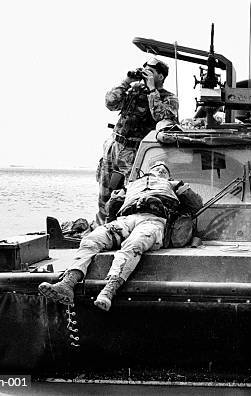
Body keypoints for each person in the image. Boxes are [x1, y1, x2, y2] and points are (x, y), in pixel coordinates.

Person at [40, 161, 200, 311]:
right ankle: (67, 283)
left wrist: (179, 187)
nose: (159, 169)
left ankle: (109, 290)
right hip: (126, 219)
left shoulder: (172, 185)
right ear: (147, 173)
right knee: (91, 239)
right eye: (156, 168)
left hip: (154, 220)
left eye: (163, 170)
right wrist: (117, 195)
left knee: (135, 244)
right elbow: (112, 208)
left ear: (168, 176)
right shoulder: (131, 185)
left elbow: (195, 205)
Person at [96, 57, 179, 225]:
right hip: (115, 145)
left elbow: (162, 117)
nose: (145, 72)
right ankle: (100, 228)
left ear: (161, 76)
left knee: (131, 193)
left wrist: (151, 90)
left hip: (135, 152)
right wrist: (127, 81)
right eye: (144, 69)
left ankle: (123, 227)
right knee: (104, 192)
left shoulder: (168, 97)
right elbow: (110, 103)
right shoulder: (134, 90)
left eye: (151, 71)